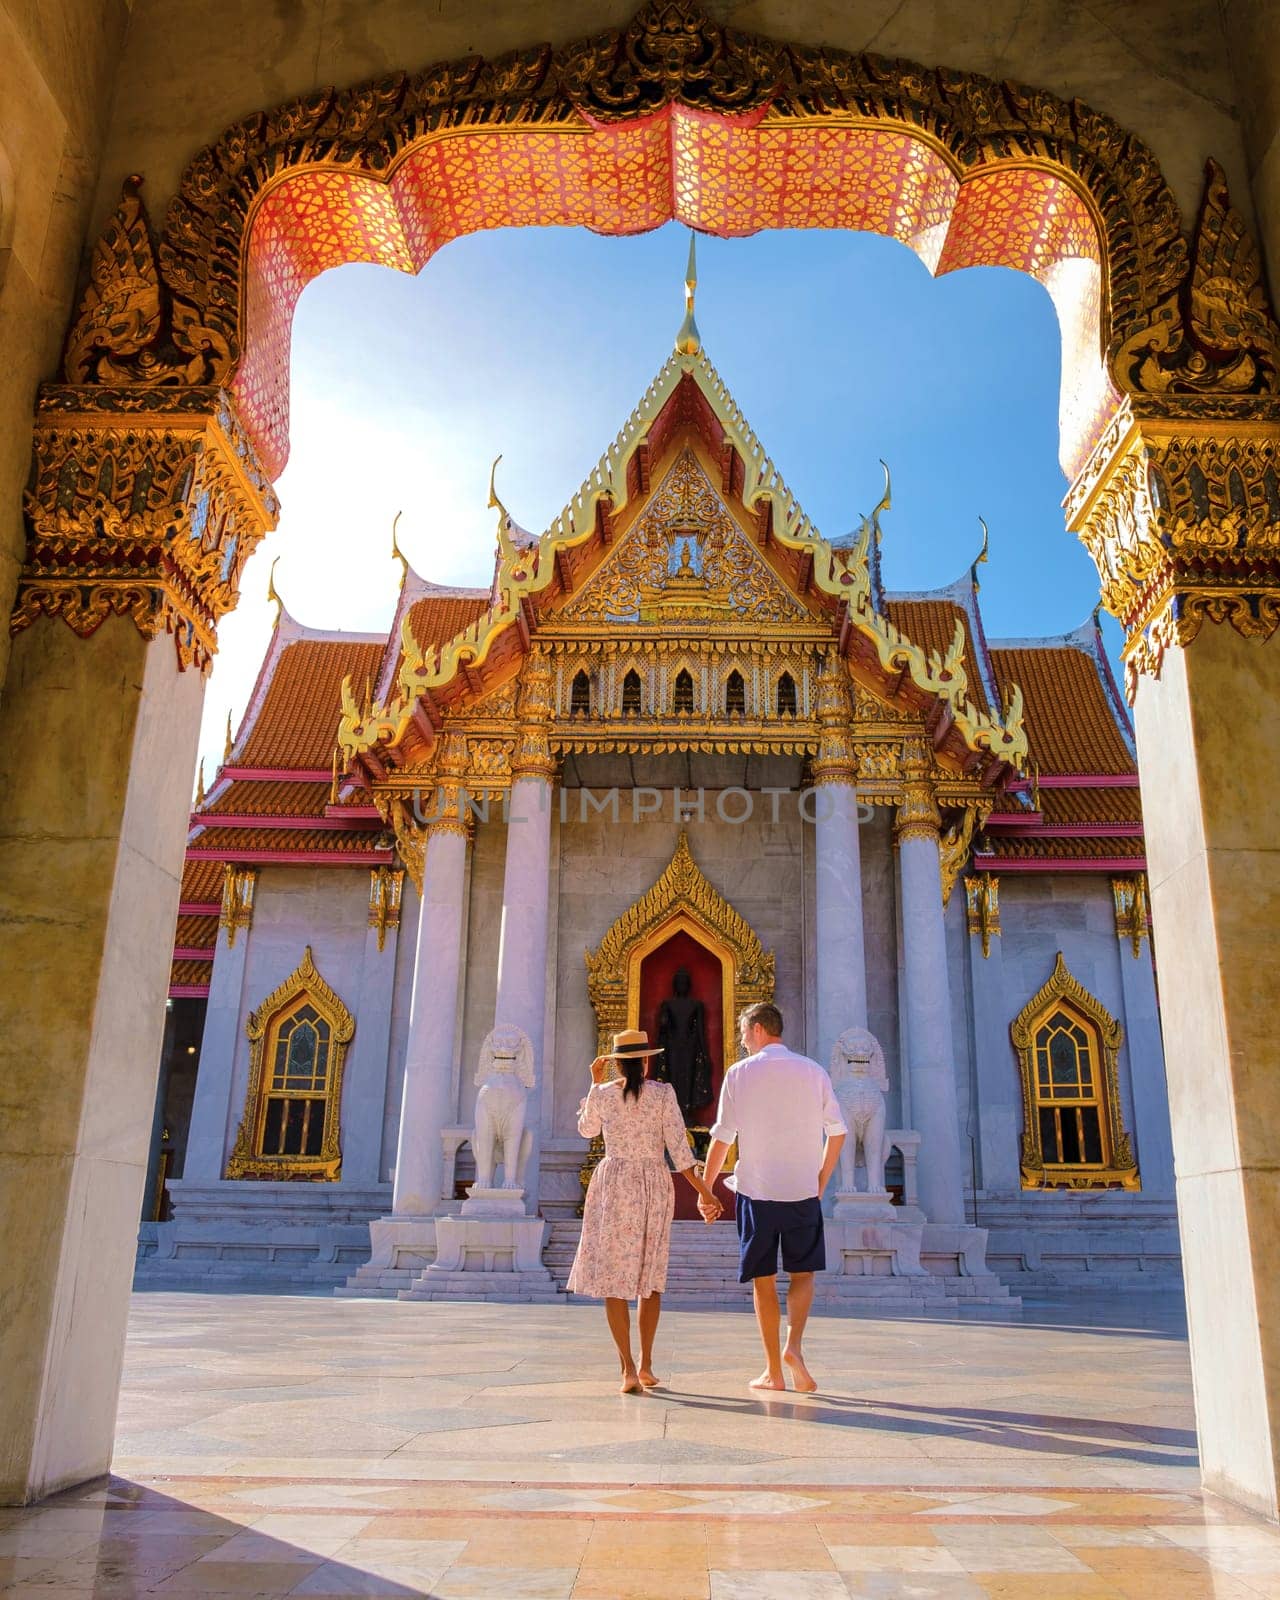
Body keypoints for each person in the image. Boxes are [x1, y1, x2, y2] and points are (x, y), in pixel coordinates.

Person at [699, 1003, 847, 1393]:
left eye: (744, 1033)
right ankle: (793, 1347)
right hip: (802, 1191)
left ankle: (773, 1372)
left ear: (760, 1029)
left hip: (757, 1191)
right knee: (803, 1273)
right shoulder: (813, 1071)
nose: (742, 1041)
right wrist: (820, 1180)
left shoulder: (741, 1073)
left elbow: (723, 1136)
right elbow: (838, 1132)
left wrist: (707, 1187)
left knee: (763, 1281)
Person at [567, 1028, 723, 1393]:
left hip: (614, 1182)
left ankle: (627, 1369)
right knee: (649, 1277)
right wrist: (706, 1193)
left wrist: (593, 1083)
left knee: (614, 1278)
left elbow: (586, 1131)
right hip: (653, 1182)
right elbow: (680, 1152)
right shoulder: (663, 1093)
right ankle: (648, 1365)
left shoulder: (604, 1094)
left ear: (617, 1063)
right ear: (648, 1060)